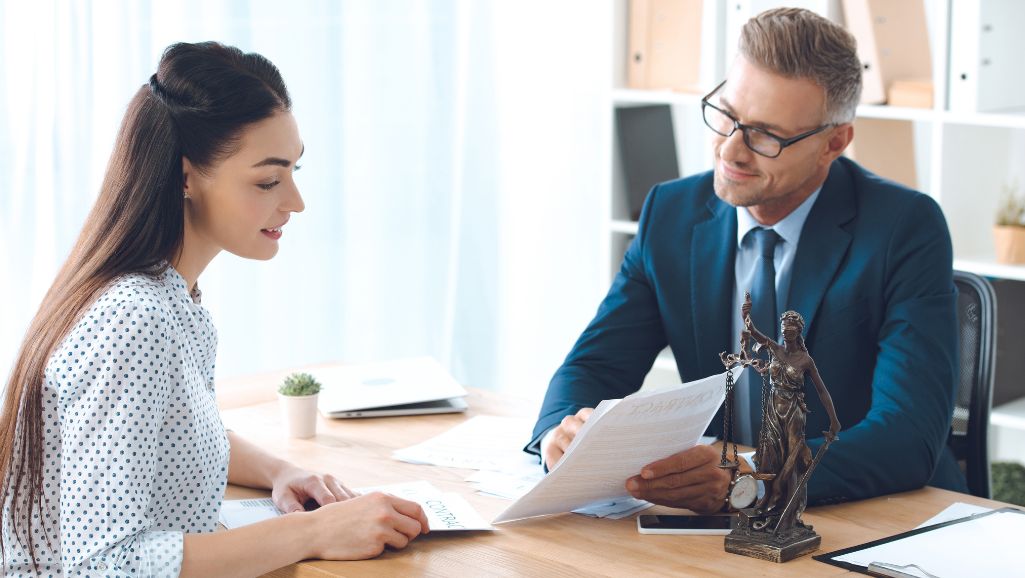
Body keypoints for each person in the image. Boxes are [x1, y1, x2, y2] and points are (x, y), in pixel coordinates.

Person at [0, 42, 429, 577]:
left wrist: (281, 471)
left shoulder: (174, 298)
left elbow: (169, 434)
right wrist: (314, 533)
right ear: (185, 178)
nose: (295, 202)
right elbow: (104, 565)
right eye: (268, 180)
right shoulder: (132, 319)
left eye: (294, 170)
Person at [526, 8, 965, 515]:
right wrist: (560, 433)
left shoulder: (903, 228)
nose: (730, 150)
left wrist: (755, 477)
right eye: (727, 115)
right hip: (721, 526)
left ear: (834, 143)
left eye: (766, 135)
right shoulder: (670, 213)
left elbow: (908, 436)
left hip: (872, 513)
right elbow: (596, 366)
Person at [742, 308, 840, 534]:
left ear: (798, 332)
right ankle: (768, 498)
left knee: (791, 459)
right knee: (768, 457)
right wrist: (746, 316)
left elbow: (822, 391)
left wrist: (834, 421)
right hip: (773, 410)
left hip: (793, 412)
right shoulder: (775, 349)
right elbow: (754, 332)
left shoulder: (805, 360)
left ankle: (789, 510)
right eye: (784, 329)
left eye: (791, 329)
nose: (786, 333)